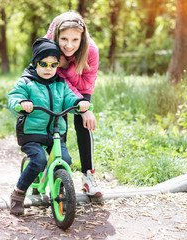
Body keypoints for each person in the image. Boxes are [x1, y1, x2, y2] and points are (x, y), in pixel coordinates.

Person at [8, 37, 91, 215]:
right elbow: (14, 97)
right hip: (32, 133)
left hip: (55, 132)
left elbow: (70, 97)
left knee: (65, 161)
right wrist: (21, 103)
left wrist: (79, 103)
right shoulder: (26, 82)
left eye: (53, 65)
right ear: (35, 63)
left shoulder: (60, 83)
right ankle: (18, 194)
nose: (48, 69)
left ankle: (60, 191)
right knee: (38, 161)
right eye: (43, 64)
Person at [45, 10, 103, 197]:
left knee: (83, 122)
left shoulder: (91, 51)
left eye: (75, 40)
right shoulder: (49, 46)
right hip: (54, 82)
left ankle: (88, 175)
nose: (69, 46)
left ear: (82, 39)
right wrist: (59, 67)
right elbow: (55, 77)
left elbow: (86, 84)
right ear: (56, 37)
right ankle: (59, 174)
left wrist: (84, 107)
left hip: (81, 87)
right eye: (64, 39)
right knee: (58, 122)